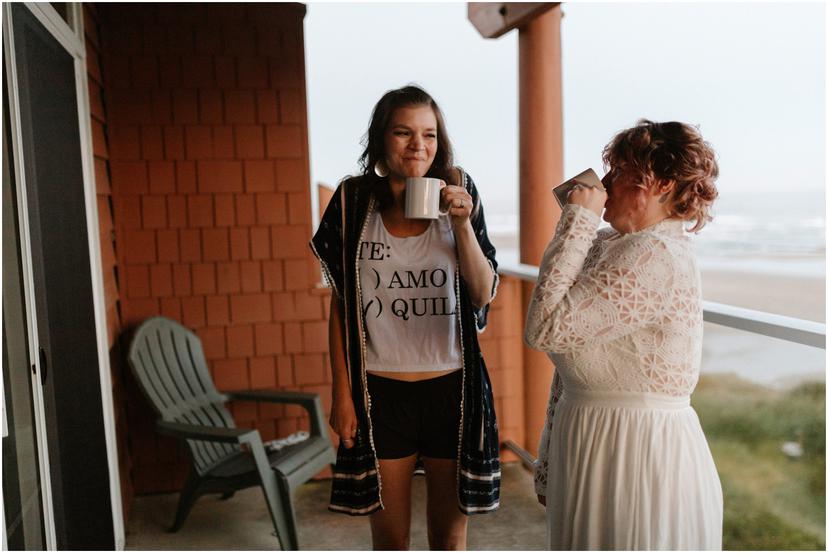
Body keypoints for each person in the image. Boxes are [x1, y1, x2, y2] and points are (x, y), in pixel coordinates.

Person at [310, 85, 500, 550]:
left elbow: (482, 291)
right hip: (380, 391)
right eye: (404, 132)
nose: (419, 145)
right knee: (391, 541)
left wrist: (460, 223)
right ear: (381, 139)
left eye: (429, 134)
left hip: (451, 389)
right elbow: (341, 304)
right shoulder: (353, 201)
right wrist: (342, 394)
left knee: (448, 539)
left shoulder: (459, 190)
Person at [525, 120, 723, 550]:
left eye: (620, 172)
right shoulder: (608, 243)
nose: (606, 184)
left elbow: (544, 329)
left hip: (636, 450)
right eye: (607, 171)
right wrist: (549, 461)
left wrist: (577, 219)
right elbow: (569, 365)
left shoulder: (655, 254)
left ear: (663, 184)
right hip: (590, 438)